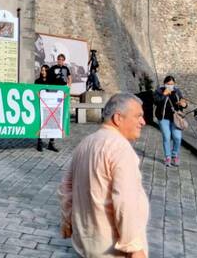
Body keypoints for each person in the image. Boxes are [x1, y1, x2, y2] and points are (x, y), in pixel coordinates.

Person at [58, 93, 149, 258]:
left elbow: (66, 186)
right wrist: (134, 247)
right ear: (118, 118)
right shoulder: (120, 149)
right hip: (113, 250)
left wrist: (67, 219)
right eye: (138, 116)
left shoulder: (86, 142)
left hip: (86, 245)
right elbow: (125, 201)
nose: (143, 122)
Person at [153, 75, 188, 166]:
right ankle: (167, 157)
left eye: (172, 84)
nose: (170, 86)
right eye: (168, 84)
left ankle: (174, 155)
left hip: (175, 119)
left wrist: (183, 104)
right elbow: (156, 101)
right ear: (164, 84)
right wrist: (164, 94)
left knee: (177, 137)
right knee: (167, 137)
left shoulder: (177, 91)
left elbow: (183, 102)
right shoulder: (159, 91)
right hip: (163, 118)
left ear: (174, 84)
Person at [34, 64, 58, 152]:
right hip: (41, 105)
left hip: (51, 105)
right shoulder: (37, 81)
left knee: (52, 124)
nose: (43, 72)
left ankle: (51, 143)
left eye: (44, 70)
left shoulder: (52, 81)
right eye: (42, 70)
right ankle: (39, 143)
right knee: (41, 124)